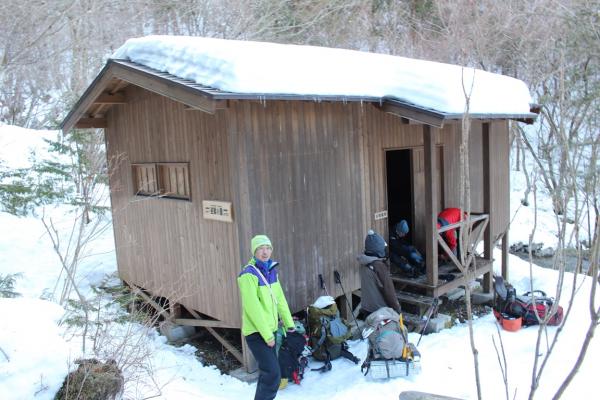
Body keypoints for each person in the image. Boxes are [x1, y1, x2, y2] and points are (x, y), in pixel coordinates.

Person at [238, 234, 295, 400]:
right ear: (254, 251)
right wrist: (267, 335)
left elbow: (280, 299)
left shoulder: (271, 271)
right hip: (257, 333)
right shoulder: (248, 275)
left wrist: (289, 323)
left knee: (268, 373)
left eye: (268, 248)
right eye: (261, 248)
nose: (265, 252)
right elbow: (253, 308)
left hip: (270, 330)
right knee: (273, 374)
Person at [356, 229, 401, 318]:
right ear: (378, 249)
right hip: (381, 312)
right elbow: (388, 291)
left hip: (367, 308)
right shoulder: (378, 266)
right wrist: (397, 309)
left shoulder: (363, 262)